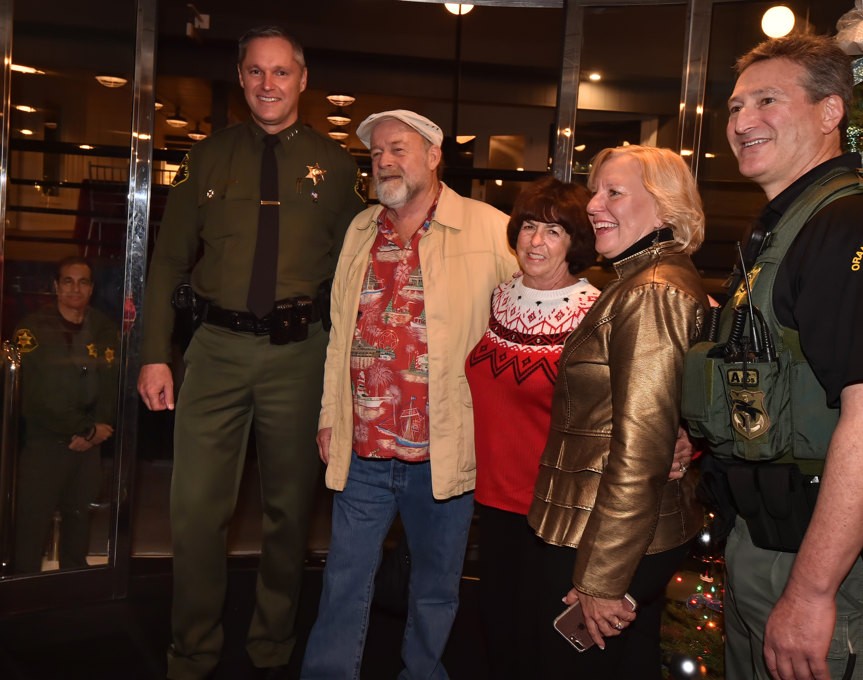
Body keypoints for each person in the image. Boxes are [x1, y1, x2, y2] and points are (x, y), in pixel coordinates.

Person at [684, 34, 863, 680]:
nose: (742, 121)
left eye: (767, 101)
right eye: (735, 106)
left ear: (831, 112)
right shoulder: (791, 224)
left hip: (840, 571)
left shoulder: (859, 226)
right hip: (775, 544)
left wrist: (809, 593)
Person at [136, 26, 363, 679]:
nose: (269, 84)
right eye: (257, 72)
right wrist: (157, 351)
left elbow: (356, 271)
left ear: (302, 79)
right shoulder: (206, 159)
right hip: (215, 352)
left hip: (301, 356)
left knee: (290, 512)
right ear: (242, 79)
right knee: (195, 509)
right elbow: (170, 261)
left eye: (281, 72)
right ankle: (193, 648)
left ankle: (271, 645)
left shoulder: (338, 165)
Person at [300, 109, 518, 680]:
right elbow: (339, 337)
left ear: (434, 155)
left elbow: (541, 302)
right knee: (343, 580)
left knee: (436, 587)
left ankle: (421, 673)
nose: (385, 161)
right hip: (363, 447)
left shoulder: (491, 229)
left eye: (399, 148)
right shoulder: (359, 229)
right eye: (376, 154)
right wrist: (329, 416)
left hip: (444, 449)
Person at [526, 145, 709, 680]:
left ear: (666, 208)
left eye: (614, 192)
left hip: (604, 542)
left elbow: (642, 447)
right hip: (603, 532)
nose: (594, 205)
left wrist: (603, 580)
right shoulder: (639, 279)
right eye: (596, 191)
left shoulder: (653, 291)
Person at [464, 176, 600, 679]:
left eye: (553, 232)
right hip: (492, 502)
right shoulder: (500, 297)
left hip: (555, 512)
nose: (535, 242)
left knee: (545, 644)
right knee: (494, 630)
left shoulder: (594, 314)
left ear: (576, 244)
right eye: (528, 227)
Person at [12, 256, 118, 573]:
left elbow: (113, 382)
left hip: (89, 447)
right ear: (56, 287)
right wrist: (85, 429)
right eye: (68, 281)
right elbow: (37, 396)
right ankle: (23, 600)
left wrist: (99, 428)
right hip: (45, 444)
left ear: (92, 288)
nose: (76, 288)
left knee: (79, 519)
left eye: (83, 281)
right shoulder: (31, 329)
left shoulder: (104, 328)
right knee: (31, 527)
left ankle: (74, 596)